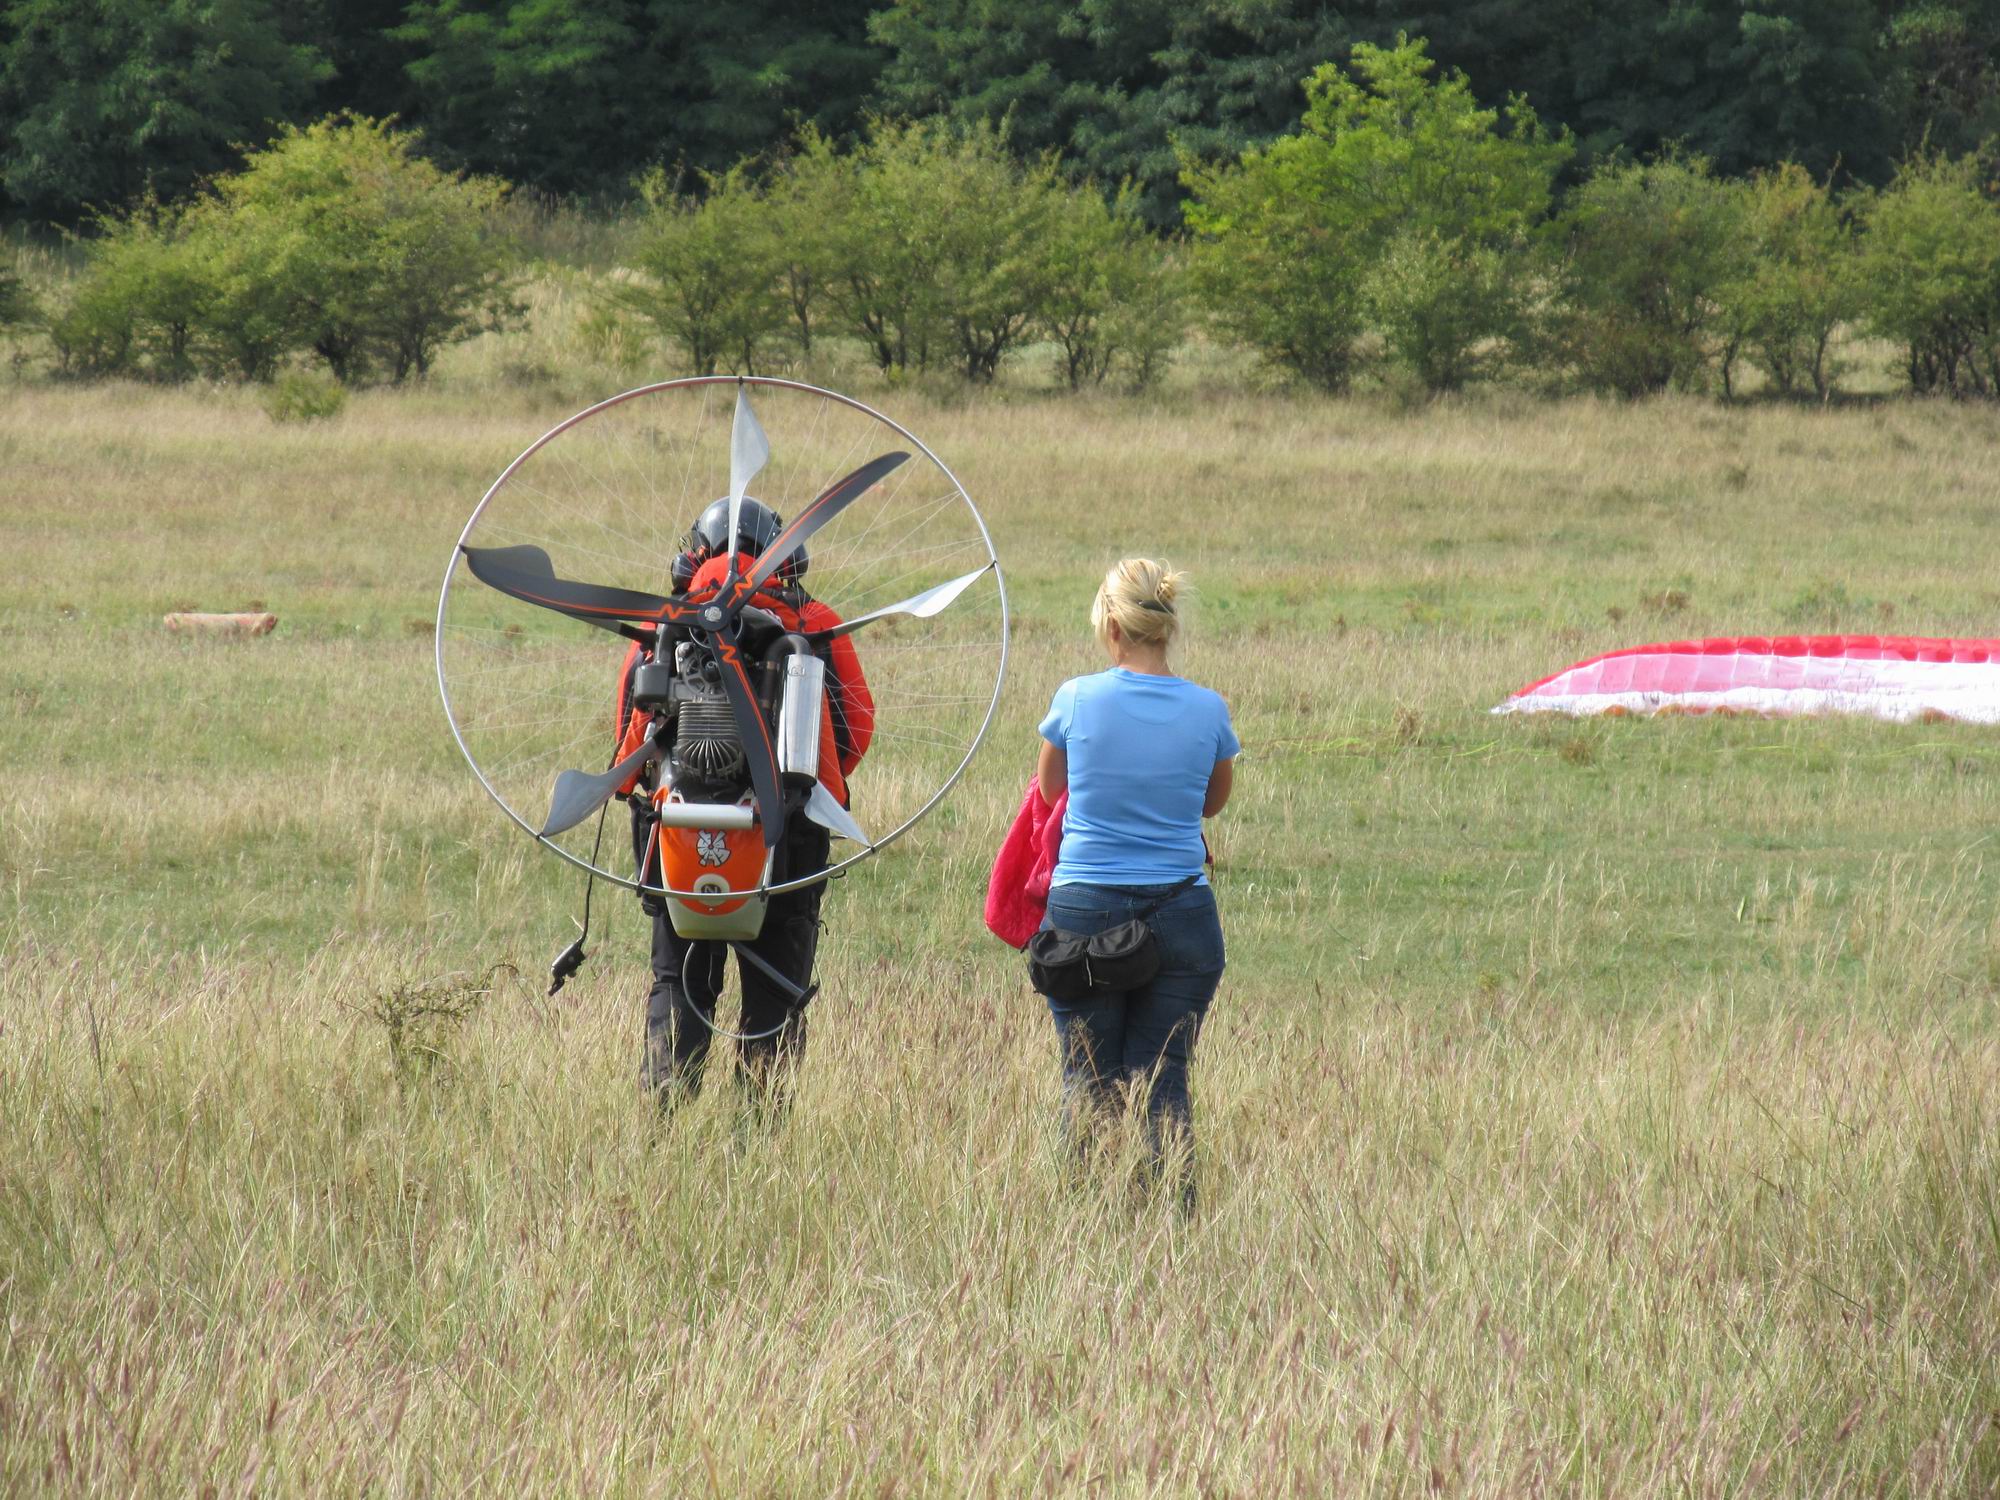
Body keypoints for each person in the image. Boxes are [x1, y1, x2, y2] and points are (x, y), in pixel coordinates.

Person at [623, 497, 873, 1104]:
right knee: (775, 995)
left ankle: (664, 1109)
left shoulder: (665, 623)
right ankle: (756, 1130)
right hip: (787, 835)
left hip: (678, 833)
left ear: (697, 556)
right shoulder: (813, 623)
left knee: (678, 981)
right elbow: (856, 730)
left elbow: (631, 740)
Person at [1033, 557, 1238, 1199]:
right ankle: (1171, 1226)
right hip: (1182, 916)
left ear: (1113, 627)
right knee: (1163, 1080)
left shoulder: (1075, 698)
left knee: (1087, 1081)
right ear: (1167, 626)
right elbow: (1212, 804)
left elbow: (1050, 789)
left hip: (1082, 916)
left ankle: (1082, 1229)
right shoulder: (1209, 710)